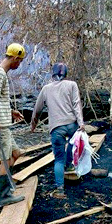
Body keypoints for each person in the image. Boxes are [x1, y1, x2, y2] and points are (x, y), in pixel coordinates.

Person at [31, 62, 85, 199]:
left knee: (58, 159)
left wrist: (33, 125)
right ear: (65, 74)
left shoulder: (46, 89)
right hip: (72, 125)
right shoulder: (72, 85)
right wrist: (81, 123)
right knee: (72, 149)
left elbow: (37, 109)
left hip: (56, 128)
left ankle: (60, 190)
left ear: (52, 74)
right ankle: (70, 166)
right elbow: (76, 104)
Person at [0, 43, 26, 205]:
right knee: (5, 158)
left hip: (5, 124)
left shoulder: (1, 73)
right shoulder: (0, 74)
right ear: (15, 58)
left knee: (16, 154)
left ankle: (7, 186)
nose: (19, 64)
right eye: (20, 61)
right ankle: (4, 195)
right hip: (0, 126)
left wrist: (11, 112)